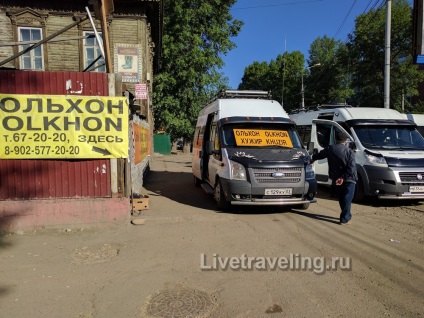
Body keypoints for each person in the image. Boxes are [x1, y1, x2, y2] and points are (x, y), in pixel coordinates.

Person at [310, 130, 357, 225]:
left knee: (341, 198)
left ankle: (346, 215)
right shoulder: (349, 151)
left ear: (335, 139)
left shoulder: (330, 148)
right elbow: (351, 168)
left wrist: (312, 159)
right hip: (349, 179)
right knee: (347, 198)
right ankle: (345, 218)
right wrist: (343, 177)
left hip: (336, 178)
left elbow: (320, 155)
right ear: (345, 140)